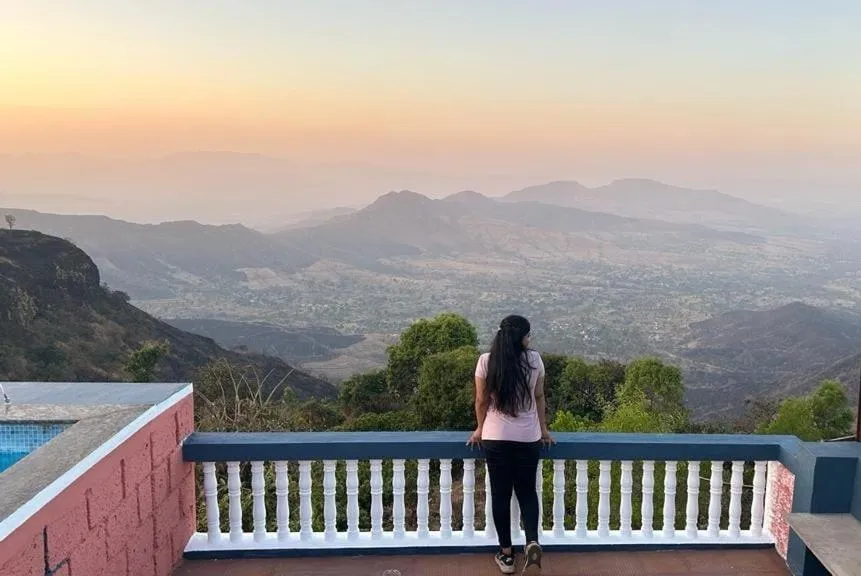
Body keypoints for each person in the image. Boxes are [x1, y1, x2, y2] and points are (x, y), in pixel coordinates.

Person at [468, 315, 554, 575]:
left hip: (495, 438)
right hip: (528, 437)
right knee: (527, 491)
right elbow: (539, 396)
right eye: (528, 335)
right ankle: (531, 542)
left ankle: (506, 556)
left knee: (501, 495)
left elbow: (481, 400)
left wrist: (480, 428)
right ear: (522, 338)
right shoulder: (534, 360)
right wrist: (544, 429)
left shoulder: (487, 361)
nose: (530, 339)